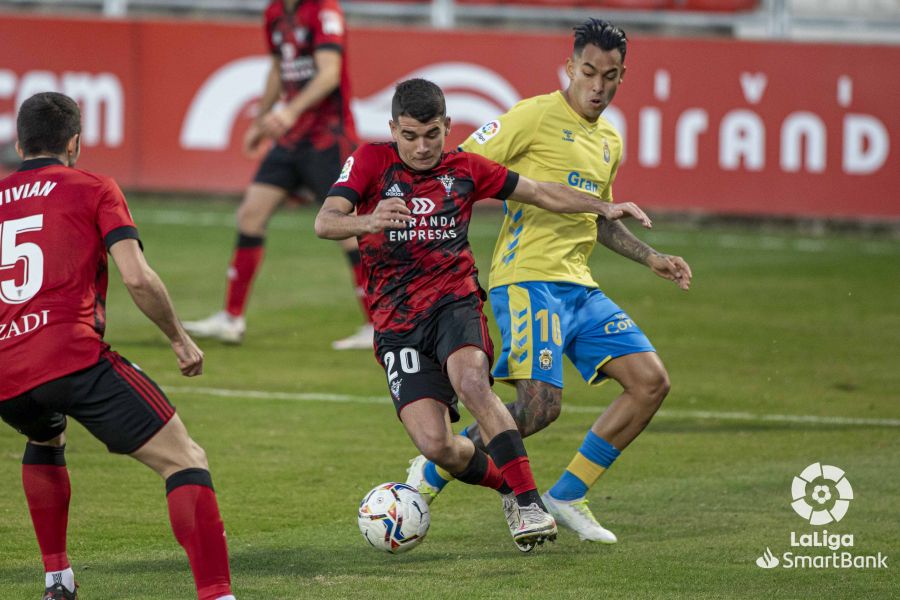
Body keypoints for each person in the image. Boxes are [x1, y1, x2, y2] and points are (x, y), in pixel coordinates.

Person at [315, 78, 653, 552]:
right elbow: (325, 221)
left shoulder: (466, 169)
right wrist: (368, 219)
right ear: (393, 129)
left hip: (455, 303)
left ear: (448, 127)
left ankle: (529, 502)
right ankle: (505, 489)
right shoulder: (371, 160)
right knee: (437, 446)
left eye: (432, 134)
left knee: (473, 383)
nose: (421, 147)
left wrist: (603, 205)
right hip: (396, 325)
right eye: (409, 136)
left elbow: (541, 192)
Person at [407, 19, 693, 544]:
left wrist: (649, 256)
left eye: (610, 76)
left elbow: (599, 218)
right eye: (588, 72)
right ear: (570, 68)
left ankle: (567, 493)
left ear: (622, 76)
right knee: (539, 407)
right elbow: (461, 167)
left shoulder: (610, 139)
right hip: (527, 279)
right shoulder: (534, 116)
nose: (598, 86)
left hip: (579, 286)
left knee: (651, 382)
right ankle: (432, 468)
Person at [0, 92, 235, 600]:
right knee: (185, 459)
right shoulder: (95, 187)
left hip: (7, 375)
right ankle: (218, 595)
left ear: (18, 142)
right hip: (70, 356)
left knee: (44, 436)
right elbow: (137, 277)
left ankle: (57, 581)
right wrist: (178, 337)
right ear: (75, 144)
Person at [184, 0, 371, 349]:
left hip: (326, 138)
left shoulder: (324, 10)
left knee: (348, 229)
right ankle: (232, 318)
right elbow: (277, 68)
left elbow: (330, 73)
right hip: (291, 138)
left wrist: (290, 112)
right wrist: (263, 120)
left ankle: (378, 323)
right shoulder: (274, 12)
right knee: (250, 216)